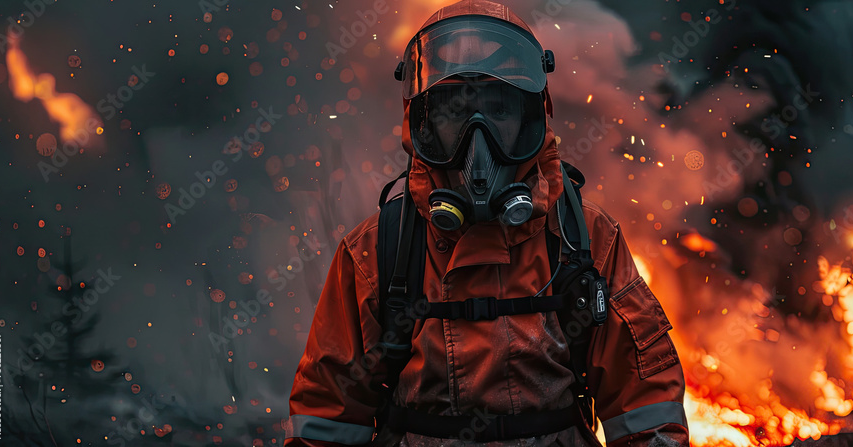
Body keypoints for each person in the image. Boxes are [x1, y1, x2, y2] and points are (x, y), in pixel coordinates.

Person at [285, 1, 689, 445]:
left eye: (498, 111)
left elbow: (645, 407)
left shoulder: (586, 240)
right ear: (422, 122)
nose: (478, 142)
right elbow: (329, 418)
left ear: (531, 116)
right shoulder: (377, 251)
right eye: (454, 113)